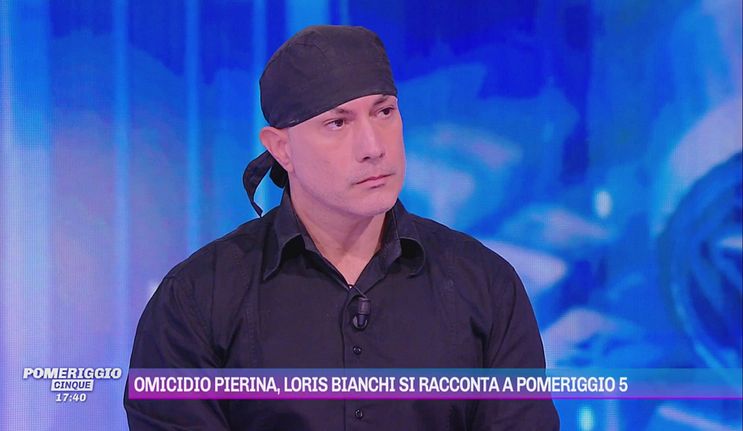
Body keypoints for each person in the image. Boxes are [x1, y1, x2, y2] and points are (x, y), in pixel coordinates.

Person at [124, 25, 560, 430]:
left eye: (384, 112)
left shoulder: (485, 284)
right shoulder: (196, 299)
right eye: (338, 122)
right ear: (282, 149)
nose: (373, 147)